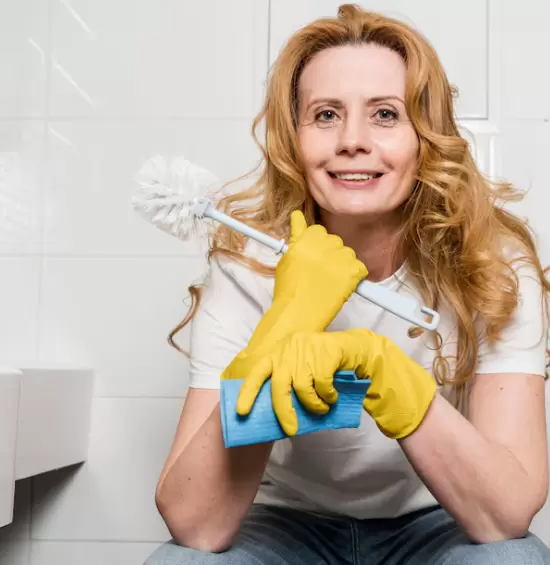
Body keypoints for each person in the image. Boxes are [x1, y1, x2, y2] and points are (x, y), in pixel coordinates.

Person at [144, 4, 550, 564]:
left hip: (439, 518)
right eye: (326, 114)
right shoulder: (246, 265)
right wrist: (284, 322)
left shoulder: (492, 265)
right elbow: (197, 526)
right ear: (294, 137)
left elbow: (505, 515)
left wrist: (386, 371)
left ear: (425, 137)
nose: (352, 140)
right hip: (287, 525)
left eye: (385, 114)